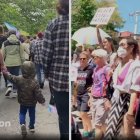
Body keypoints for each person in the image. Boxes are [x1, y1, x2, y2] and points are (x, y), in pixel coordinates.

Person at [42, 0, 69, 139]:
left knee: (63, 116)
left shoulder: (53, 24)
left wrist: (46, 74)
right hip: (77, 82)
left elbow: (46, 54)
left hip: (58, 80)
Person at [104, 37, 140, 139]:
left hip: (127, 100)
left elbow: (134, 90)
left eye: (123, 45)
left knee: (126, 134)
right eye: (119, 45)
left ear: (132, 47)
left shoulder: (136, 65)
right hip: (116, 99)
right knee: (111, 131)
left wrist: (130, 112)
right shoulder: (119, 64)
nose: (120, 47)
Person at [2, 61, 45, 136]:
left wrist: (6, 72)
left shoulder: (19, 78)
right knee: (32, 114)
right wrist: (42, 101)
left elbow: (11, 77)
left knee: (22, 113)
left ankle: (22, 124)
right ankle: (31, 127)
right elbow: (38, 94)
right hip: (32, 102)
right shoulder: (35, 82)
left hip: (22, 101)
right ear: (33, 71)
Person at [89, 49, 111, 140]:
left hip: (102, 99)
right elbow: (94, 84)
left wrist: (106, 99)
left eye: (95, 57)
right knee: (98, 124)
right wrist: (90, 97)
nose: (93, 59)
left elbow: (110, 85)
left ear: (102, 58)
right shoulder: (96, 69)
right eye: (93, 57)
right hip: (95, 98)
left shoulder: (107, 69)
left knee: (97, 125)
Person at [1, 30, 25, 97]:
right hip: (17, 62)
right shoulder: (18, 42)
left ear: (9, 34)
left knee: (8, 75)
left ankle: (9, 85)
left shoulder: (5, 43)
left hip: (8, 62)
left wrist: (3, 63)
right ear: (15, 34)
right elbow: (21, 54)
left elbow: (3, 54)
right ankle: (15, 91)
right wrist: (23, 62)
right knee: (16, 76)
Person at [76, 51, 94, 139]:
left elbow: (96, 80)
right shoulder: (78, 68)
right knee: (82, 115)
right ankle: (86, 132)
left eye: (84, 58)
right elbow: (77, 82)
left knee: (83, 113)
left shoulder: (91, 69)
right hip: (79, 93)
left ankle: (91, 132)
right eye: (81, 58)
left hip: (86, 94)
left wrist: (92, 88)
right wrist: (74, 95)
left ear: (87, 59)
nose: (82, 60)